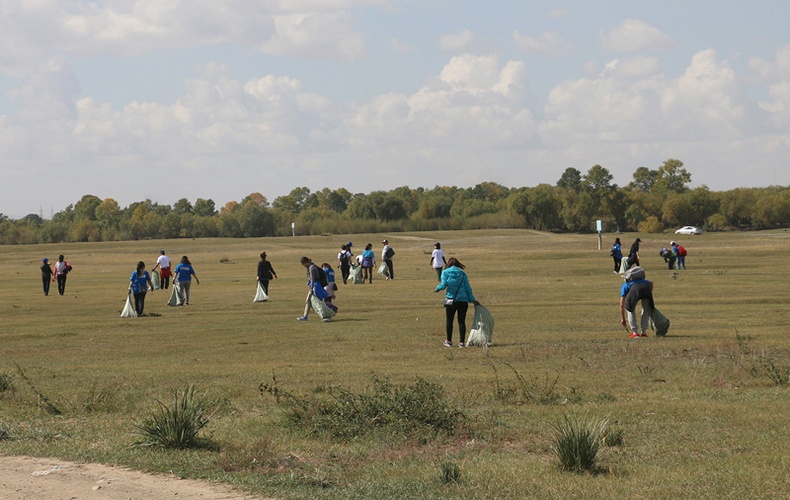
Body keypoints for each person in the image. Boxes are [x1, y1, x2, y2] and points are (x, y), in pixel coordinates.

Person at [435, 257, 479, 348]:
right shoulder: (463, 274)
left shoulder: (445, 272)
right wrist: (472, 300)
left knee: (449, 321)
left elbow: (443, 285)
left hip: (450, 300)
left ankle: (449, 341)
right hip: (463, 300)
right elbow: (468, 288)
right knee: (461, 321)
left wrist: (438, 288)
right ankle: (461, 342)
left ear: (449, 264)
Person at [619, 267, 654, 338]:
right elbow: (651, 283)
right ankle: (644, 332)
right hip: (646, 288)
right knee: (645, 310)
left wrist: (623, 318)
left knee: (630, 310)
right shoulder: (647, 282)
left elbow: (622, 304)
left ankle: (635, 333)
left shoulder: (626, 285)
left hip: (635, 290)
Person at [297, 256, 332, 321]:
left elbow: (313, 279)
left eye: (303, 263)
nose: (303, 265)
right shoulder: (310, 267)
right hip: (313, 286)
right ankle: (305, 316)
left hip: (315, 287)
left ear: (306, 262)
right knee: (308, 301)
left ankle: (327, 316)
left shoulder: (312, 268)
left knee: (318, 303)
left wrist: (312, 288)